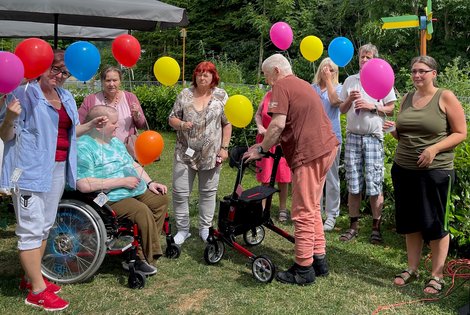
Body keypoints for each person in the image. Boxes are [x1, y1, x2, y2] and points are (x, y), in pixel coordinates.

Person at [0, 50, 106, 312]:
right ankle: (37, 291)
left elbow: (68, 132)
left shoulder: (65, 96)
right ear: (42, 66)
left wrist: (91, 124)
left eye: (65, 72)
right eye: (55, 69)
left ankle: (31, 278)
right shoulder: (23, 93)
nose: (59, 76)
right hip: (29, 171)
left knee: (45, 226)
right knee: (30, 229)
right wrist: (11, 116)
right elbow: (5, 135)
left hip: (58, 168)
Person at [244, 54, 339, 285]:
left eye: (267, 76)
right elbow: (291, 124)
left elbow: (276, 125)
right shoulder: (302, 84)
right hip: (327, 148)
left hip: (310, 152)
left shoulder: (282, 85)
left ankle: (303, 268)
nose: (267, 82)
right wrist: (268, 144)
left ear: (276, 71)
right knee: (313, 207)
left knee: (303, 211)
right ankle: (319, 259)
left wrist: (261, 150)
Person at [385, 56, 467, 294]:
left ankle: (436, 275)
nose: (417, 76)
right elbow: (403, 134)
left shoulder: (445, 97)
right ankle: (412, 268)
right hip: (404, 169)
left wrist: (433, 149)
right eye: (413, 72)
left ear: (434, 73)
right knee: (411, 221)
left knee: (436, 223)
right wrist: (392, 129)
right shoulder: (407, 99)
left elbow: (461, 133)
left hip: (436, 171)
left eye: (422, 71)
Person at [76, 105, 168, 276]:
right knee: (141, 211)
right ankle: (142, 256)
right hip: (108, 196)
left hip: (131, 188)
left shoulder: (116, 142)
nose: (117, 126)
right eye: (113, 123)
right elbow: (83, 184)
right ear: (98, 125)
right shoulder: (84, 147)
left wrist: (150, 183)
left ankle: (141, 247)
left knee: (160, 200)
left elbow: (132, 164)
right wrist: (122, 181)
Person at [338, 43, 396, 244]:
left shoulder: (381, 77)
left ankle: (376, 228)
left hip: (373, 138)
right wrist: (349, 100)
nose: (364, 60)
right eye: (362, 56)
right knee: (354, 183)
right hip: (353, 136)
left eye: (368, 57)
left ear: (375, 60)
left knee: (374, 183)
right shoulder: (350, 80)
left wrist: (372, 107)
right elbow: (342, 110)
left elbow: (391, 108)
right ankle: (353, 226)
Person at [168, 61, 232, 245]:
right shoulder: (185, 94)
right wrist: (180, 124)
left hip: (211, 154)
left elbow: (227, 123)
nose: (202, 77)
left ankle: (205, 228)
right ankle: (183, 230)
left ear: (213, 77)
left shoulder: (221, 96)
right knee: (180, 192)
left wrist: (224, 148)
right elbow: (172, 117)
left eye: (206, 74)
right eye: (199, 73)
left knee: (208, 192)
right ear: (195, 76)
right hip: (184, 152)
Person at [78, 66, 147, 158]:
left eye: (115, 80)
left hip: (126, 153)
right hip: (98, 153)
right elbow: (78, 124)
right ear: (102, 82)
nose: (111, 84)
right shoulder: (90, 100)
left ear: (120, 81)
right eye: (108, 80)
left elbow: (141, 124)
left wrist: (137, 115)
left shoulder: (130, 98)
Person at [311, 57, 343, 231]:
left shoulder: (339, 87)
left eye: (331, 69)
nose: (327, 71)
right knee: (315, 177)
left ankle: (331, 215)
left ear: (335, 72)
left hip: (332, 137)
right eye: (325, 68)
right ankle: (316, 212)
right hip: (314, 138)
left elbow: (334, 101)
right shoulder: (312, 88)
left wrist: (329, 81)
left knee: (331, 177)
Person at [254, 90, 292, 222]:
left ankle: (282, 209)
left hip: (281, 142)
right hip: (264, 140)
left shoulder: (288, 96)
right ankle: (262, 208)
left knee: (283, 176)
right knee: (265, 176)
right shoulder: (268, 94)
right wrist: (260, 127)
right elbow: (258, 114)